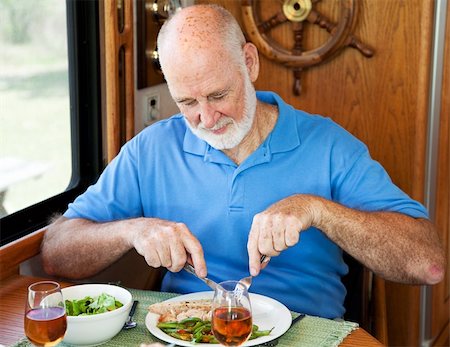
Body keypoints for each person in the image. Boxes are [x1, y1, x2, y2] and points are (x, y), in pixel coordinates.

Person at [41, 4, 445, 319]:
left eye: (218, 95)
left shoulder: (330, 145)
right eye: (187, 103)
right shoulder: (152, 149)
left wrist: (317, 210)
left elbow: (428, 265)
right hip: (184, 330)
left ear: (249, 64)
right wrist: (131, 230)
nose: (206, 118)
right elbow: (56, 252)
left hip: (306, 329)